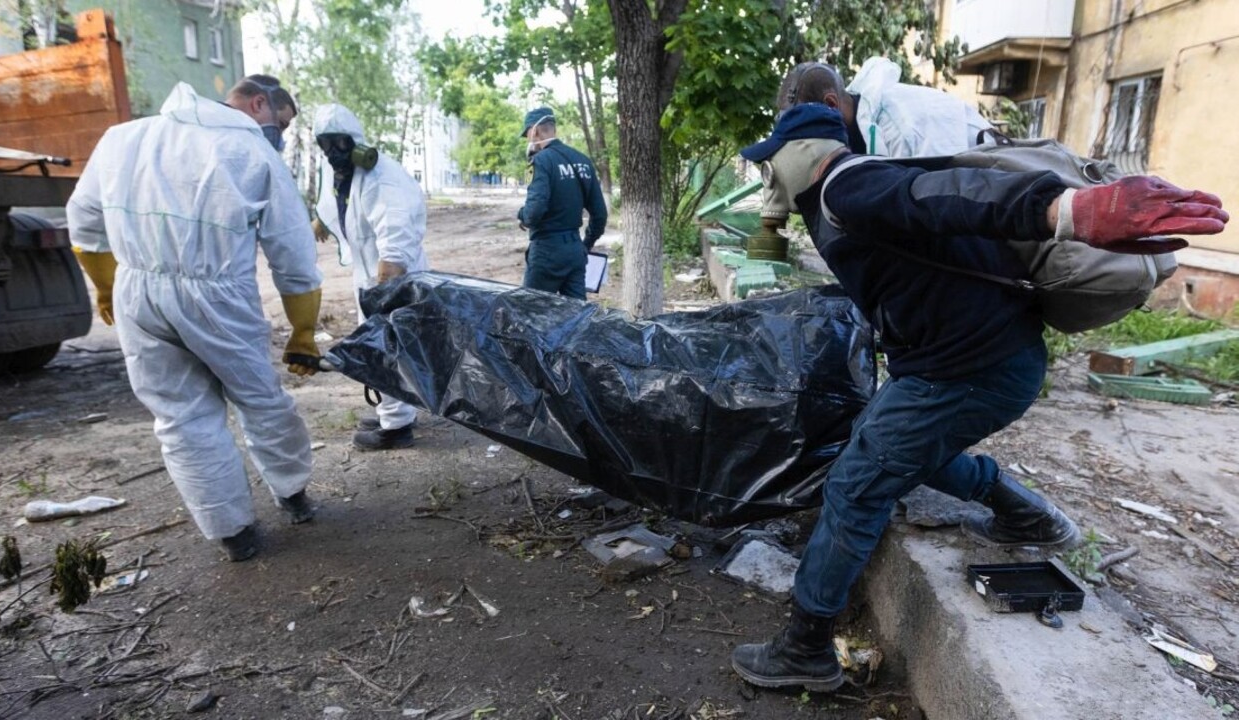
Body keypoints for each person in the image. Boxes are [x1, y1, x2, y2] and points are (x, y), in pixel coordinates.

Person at [729, 99, 1228, 693]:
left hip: (969, 369)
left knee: (856, 485)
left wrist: (1066, 209)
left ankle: (804, 650)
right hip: (987, 362)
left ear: (798, 153)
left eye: (771, 162)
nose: (769, 175)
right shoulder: (850, 196)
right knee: (898, 446)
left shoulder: (847, 186)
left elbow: (954, 193)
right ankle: (1029, 515)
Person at [67, 75, 323, 562]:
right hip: (219, 298)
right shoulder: (251, 151)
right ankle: (293, 494)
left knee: (181, 417)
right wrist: (304, 331)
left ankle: (234, 533)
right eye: (282, 124)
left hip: (137, 294)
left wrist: (104, 285)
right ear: (259, 104)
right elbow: (292, 252)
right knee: (260, 399)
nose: (281, 136)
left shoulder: (121, 139)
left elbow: (82, 219)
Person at [312, 103, 428, 451]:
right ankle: (394, 410)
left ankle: (396, 426)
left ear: (355, 140)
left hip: (391, 278)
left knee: (385, 349)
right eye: (325, 144)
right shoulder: (348, 175)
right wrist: (323, 219)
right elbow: (339, 201)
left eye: (339, 142)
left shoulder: (382, 175)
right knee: (385, 348)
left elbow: (395, 227)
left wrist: (387, 283)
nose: (333, 152)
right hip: (370, 278)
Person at [778, 58, 991, 157]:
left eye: (805, 127)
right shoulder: (859, 126)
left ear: (831, 104)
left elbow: (940, 204)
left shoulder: (899, 128)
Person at [516, 107, 607, 299]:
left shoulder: (541, 161)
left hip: (546, 253)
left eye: (527, 135)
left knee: (531, 313)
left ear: (535, 131)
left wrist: (522, 216)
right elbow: (600, 214)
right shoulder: (582, 161)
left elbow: (534, 212)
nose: (528, 140)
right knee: (576, 319)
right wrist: (585, 245)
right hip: (575, 251)